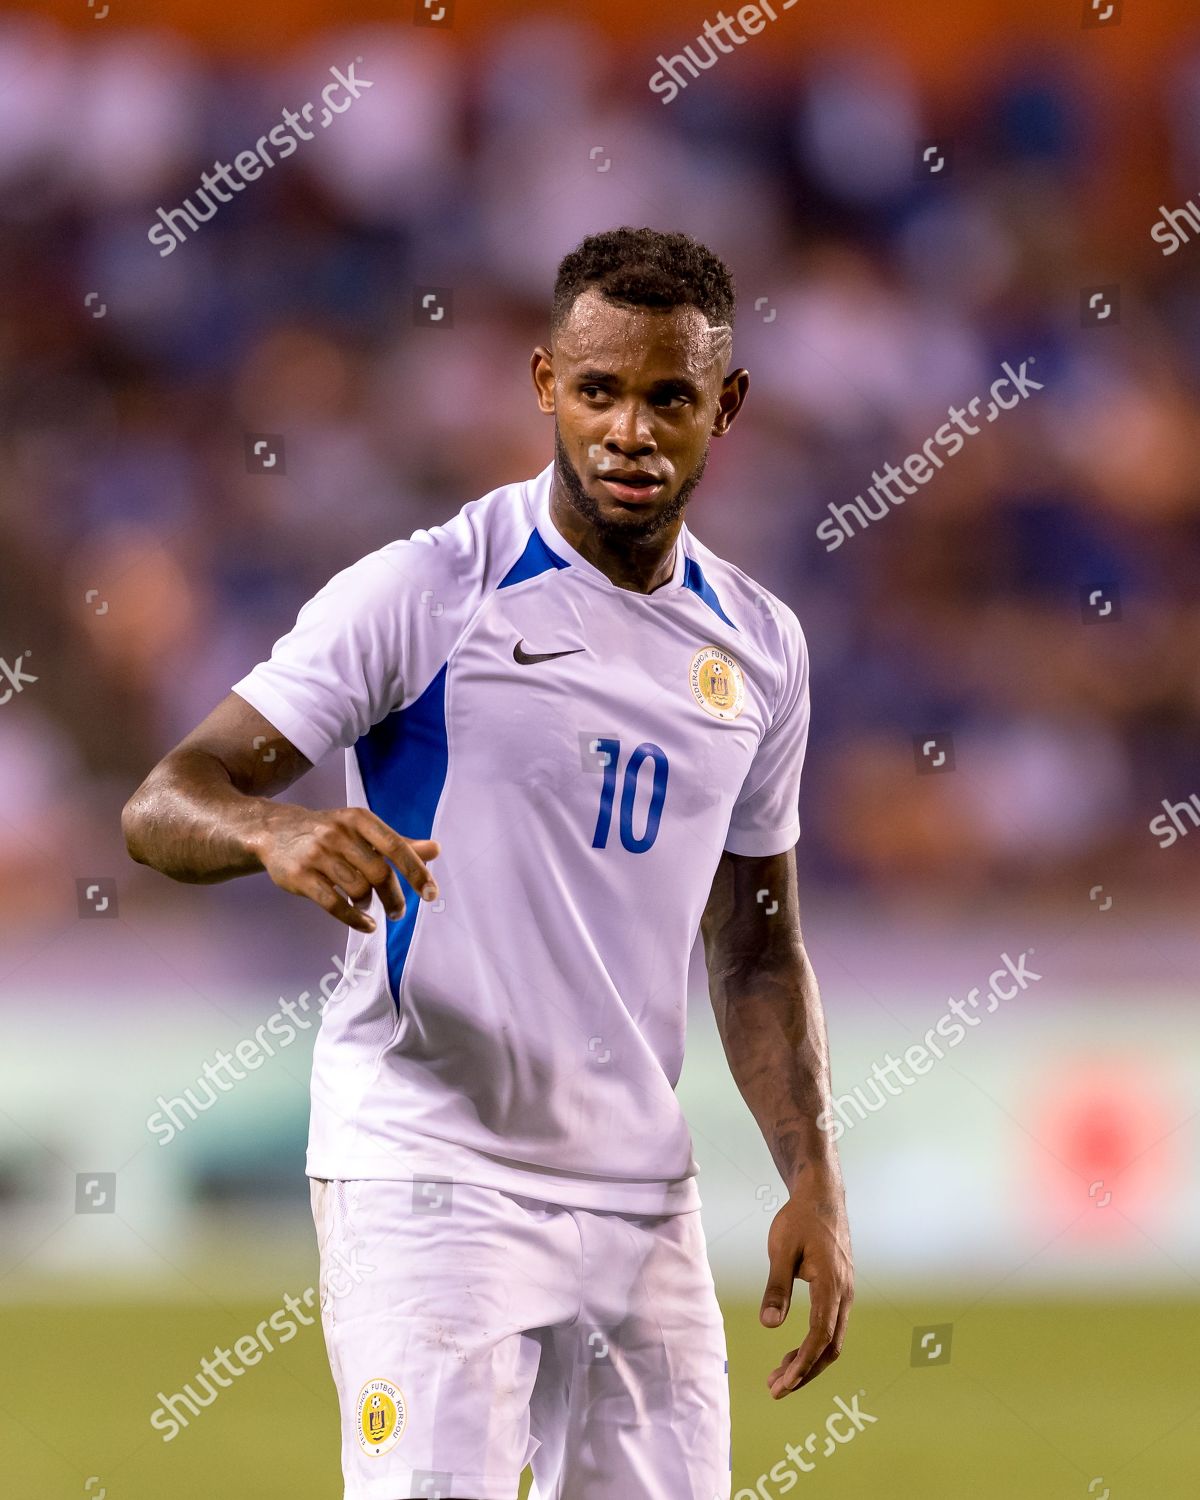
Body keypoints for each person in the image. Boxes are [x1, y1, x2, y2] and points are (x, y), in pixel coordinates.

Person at [122, 225, 853, 1500]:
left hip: (641, 1195)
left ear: (726, 406)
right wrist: (273, 829)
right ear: (544, 385)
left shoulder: (761, 647)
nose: (630, 431)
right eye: (599, 391)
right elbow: (165, 800)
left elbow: (755, 944)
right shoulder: (427, 591)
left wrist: (813, 1175)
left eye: (669, 398)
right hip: (430, 1170)